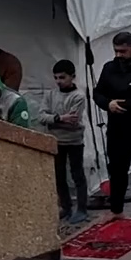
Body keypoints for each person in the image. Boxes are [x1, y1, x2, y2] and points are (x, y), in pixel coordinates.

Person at [93, 32, 131, 221]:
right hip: (117, 129)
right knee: (117, 171)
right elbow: (98, 93)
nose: (119, 55)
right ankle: (116, 210)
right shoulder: (110, 68)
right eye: (116, 51)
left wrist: (125, 104)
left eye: (123, 51)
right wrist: (108, 104)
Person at [34, 60, 87, 222]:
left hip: (74, 141)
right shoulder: (51, 94)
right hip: (56, 141)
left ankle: (82, 209)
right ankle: (66, 206)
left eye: (62, 77)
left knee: (77, 175)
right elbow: (40, 117)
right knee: (59, 176)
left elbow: (73, 123)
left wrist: (52, 120)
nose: (58, 81)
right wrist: (60, 118)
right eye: (56, 78)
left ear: (72, 77)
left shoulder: (78, 96)